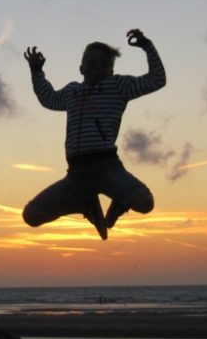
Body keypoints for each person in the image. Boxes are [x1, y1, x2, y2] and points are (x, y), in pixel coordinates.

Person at [22, 29, 165, 240]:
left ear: (110, 70)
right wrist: (36, 71)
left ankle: (120, 198)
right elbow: (49, 99)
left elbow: (156, 80)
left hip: (107, 168)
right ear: (81, 67)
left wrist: (147, 46)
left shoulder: (118, 86)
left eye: (101, 64)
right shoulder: (72, 92)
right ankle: (83, 203)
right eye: (89, 62)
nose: (94, 68)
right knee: (32, 216)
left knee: (145, 203)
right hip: (77, 175)